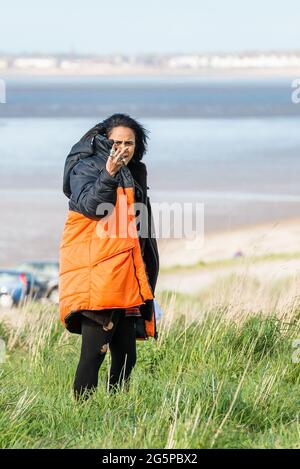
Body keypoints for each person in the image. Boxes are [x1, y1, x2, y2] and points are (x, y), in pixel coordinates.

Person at [59, 113, 160, 401]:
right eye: (117, 142)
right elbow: (93, 207)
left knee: (127, 357)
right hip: (100, 273)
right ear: (104, 140)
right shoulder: (85, 167)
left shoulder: (134, 170)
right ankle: (80, 414)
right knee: (94, 354)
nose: (123, 148)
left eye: (129, 143)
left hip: (126, 272)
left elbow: (138, 225)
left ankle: (114, 410)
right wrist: (109, 173)